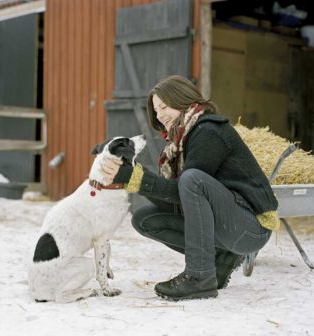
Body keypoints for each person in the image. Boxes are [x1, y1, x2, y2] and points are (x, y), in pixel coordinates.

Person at [99, 75, 280, 301]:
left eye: (164, 106)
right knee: (144, 218)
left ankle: (199, 278)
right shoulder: (181, 141)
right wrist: (131, 178)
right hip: (230, 223)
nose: (159, 115)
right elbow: (180, 198)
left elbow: (185, 188)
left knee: (193, 178)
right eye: (155, 110)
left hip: (252, 227)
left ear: (182, 99)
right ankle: (220, 261)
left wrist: (137, 178)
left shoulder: (208, 131)